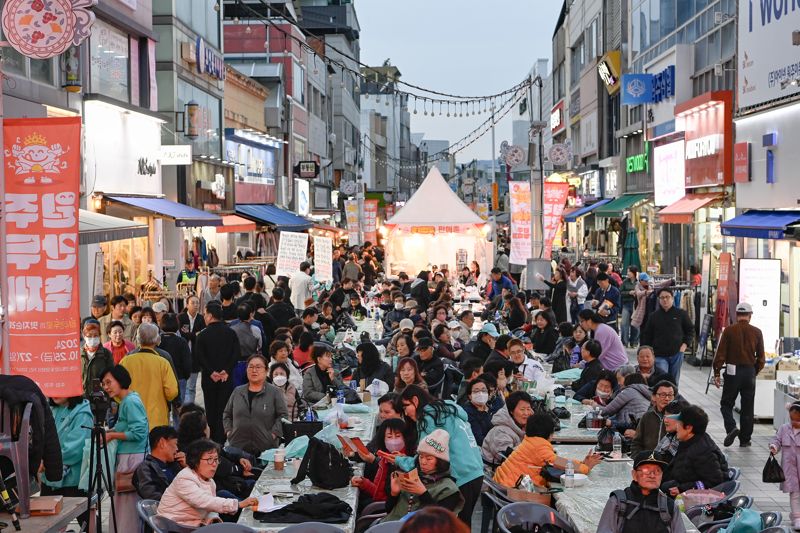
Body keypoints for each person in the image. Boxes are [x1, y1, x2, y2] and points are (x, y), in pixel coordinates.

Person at [397, 386, 484, 525]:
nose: (406, 413)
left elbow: (426, 456)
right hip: (476, 472)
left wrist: (399, 460)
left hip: (461, 475)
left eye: (406, 406)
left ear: (415, 400)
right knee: (464, 523)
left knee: (454, 525)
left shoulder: (429, 418)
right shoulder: (447, 410)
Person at [156, 439, 259, 527]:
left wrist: (214, 520)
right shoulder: (185, 479)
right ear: (195, 461)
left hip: (192, 524)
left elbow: (210, 508)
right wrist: (239, 504)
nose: (214, 464)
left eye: (216, 459)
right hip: (173, 526)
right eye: (209, 459)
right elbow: (205, 501)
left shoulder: (209, 481)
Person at [99, 365, 149, 533]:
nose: (106, 387)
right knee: (123, 505)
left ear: (120, 380)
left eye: (108, 382)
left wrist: (112, 436)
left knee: (127, 507)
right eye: (103, 384)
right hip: (129, 457)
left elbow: (139, 432)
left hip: (132, 459)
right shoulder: (127, 400)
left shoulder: (130, 401)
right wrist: (112, 432)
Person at [494, 413, 602, 488]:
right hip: (513, 490)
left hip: (503, 484)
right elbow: (561, 463)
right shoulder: (539, 448)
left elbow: (561, 461)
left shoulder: (530, 441)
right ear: (549, 434)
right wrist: (586, 468)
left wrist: (581, 463)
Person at [381, 429, 464, 523]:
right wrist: (394, 494)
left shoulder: (449, 489)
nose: (423, 462)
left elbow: (441, 521)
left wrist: (423, 494)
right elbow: (389, 510)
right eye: (420, 456)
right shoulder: (412, 476)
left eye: (429, 459)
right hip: (390, 525)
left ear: (440, 462)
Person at [713, 302, 765, 448]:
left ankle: (731, 428)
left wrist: (717, 372)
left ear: (736, 315)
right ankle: (745, 439)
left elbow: (721, 354)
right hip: (749, 371)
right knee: (747, 407)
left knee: (726, 403)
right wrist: (754, 371)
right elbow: (761, 358)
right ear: (750, 315)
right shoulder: (757, 332)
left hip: (732, 370)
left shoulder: (729, 331)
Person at [596, 450, 687, 533]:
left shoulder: (669, 507)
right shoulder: (618, 502)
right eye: (646, 470)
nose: (652, 475)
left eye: (657, 471)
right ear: (634, 475)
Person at [223, 354, 288, 456]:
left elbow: (283, 416)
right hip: (238, 447)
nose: (254, 370)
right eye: (251, 367)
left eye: (258, 367)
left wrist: (273, 435)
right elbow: (227, 414)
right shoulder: (238, 391)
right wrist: (229, 432)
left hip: (265, 448)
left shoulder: (274, 392)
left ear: (266, 371)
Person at [195, 302, 241, 444]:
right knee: (224, 410)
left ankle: (213, 439)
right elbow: (236, 354)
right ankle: (222, 439)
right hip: (226, 379)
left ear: (209, 316)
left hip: (210, 380)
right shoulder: (231, 333)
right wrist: (226, 370)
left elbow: (198, 356)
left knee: (211, 409)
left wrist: (211, 372)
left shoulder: (202, 335)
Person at [120, 322, 179, 429]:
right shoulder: (163, 361)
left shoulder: (126, 361)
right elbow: (172, 392)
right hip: (157, 418)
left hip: (131, 417)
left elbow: (116, 389)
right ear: (157, 339)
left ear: (138, 339)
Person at [40, 395, 93, 515]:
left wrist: (48, 461)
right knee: (46, 515)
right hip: (49, 475)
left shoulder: (82, 413)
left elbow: (76, 448)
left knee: (84, 517)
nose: (55, 394)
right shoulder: (50, 409)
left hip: (73, 479)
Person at [661, 405, 728, 496]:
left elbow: (715, 481)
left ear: (689, 428)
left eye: (679, 424)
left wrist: (682, 489)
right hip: (679, 481)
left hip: (693, 497)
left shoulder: (702, 452)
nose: (677, 427)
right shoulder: (689, 440)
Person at [350, 418, 412, 506]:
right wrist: (363, 483)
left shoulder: (409, 462)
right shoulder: (384, 459)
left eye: (398, 436)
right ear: (383, 439)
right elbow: (379, 492)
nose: (394, 441)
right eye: (389, 437)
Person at [640, 288, 694, 385]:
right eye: (662, 298)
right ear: (659, 300)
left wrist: (685, 345)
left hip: (677, 353)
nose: (665, 300)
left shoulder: (681, 314)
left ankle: (673, 399)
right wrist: (647, 352)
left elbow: (690, 330)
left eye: (667, 297)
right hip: (659, 354)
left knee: (674, 380)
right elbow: (647, 335)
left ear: (672, 298)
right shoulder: (654, 316)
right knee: (662, 380)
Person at [769, 402, 800, 530]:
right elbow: (777, 440)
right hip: (790, 468)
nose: (794, 422)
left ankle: (795, 516)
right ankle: (797, 517)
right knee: (794, 492)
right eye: (792, 419)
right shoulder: (784, 428)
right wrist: (774, 446)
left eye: (798, 420)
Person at [133, 426, 185, 500]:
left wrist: (187, 467)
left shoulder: (175, 464)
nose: (177, 449)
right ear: (162, 443)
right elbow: (152, 496)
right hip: (169, 509)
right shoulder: (145, 468)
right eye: (175, 444)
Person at [481, 391, 534, 465]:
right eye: (522, 409)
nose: (526, 413)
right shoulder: (500, 431)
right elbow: (507, 458)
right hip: (494, 473)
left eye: (528, 409)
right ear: (511, 411)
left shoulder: (521, 426)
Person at [630, 381, 678, 456]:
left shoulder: (677, 418)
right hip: (647, 461)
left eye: (670, 395)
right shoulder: (647, 416)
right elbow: (636, 443)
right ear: (654, 397)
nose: (667, 398)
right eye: (663, 395)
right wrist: (639, 460)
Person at [159, 313, 193, 405]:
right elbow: (187, 363)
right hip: (179, 377)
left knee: (163, 406)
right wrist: (186, 376)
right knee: (178, 408)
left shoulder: (158, 341)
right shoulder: (181, 341)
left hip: (161, 378)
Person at [81, 319, 114, 396]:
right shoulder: (78, 354)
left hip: (101, 397)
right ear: (84, 336)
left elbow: (111, 377)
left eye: (95, 336)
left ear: (99, 335)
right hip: (81, 398)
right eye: (89, 336)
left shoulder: (106, 354)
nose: (92, 338)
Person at [461, 378, 494, 446]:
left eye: (483, 390)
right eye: (476, 391)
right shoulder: (467, 412)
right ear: (470, 396)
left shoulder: (491, 409)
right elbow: (478, 439)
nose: (481, 393)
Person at [619, 266, 639, 348]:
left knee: (635, 325)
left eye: (629, 272)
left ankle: (634, 342)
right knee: (624, 323)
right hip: (626, 304)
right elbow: (620, 292)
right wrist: (629, 292)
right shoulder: (625, 282)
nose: (627, 273)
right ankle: (625, 342)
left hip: (636, 305)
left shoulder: (638, 282)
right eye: (627, 272)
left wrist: (637, 293)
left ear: (634, 273)